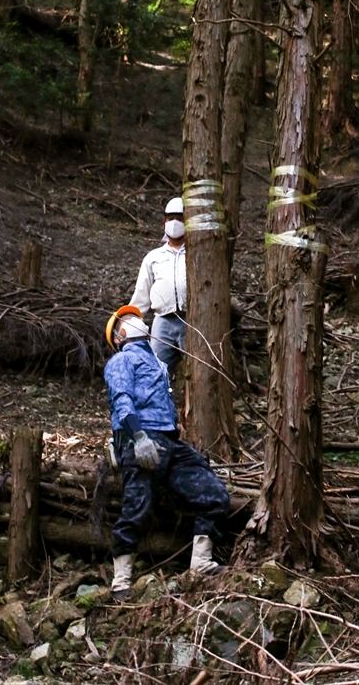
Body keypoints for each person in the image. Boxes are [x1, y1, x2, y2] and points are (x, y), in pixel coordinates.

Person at [103, 304, 230, 599]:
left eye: (134, 317)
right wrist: (137, 436)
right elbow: (121, 400)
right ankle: (121, 581)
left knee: (213, 493)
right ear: (118, 337)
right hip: (141, 440)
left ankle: (201, 563)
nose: (134, 321)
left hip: (170, 444)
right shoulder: (121, 361)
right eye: (125, 321)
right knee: (137, 508)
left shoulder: (159, 364)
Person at [130, 197, 186, 378]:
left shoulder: (197, 254)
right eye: (171, 218)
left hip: (192, 321)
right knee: (156, 373)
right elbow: (141, 294)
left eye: (180, 217)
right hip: (162, 321)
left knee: (198, 371)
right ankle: (159, 405)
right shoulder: (153, 257)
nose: (175, 222)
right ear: (164, 224)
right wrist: (129, 321)